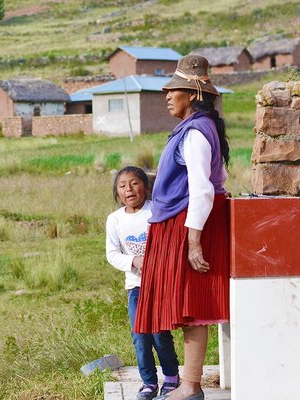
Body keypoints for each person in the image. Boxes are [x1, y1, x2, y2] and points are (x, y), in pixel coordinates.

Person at [134, 55, 231, 400]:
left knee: (193, 309)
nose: (166, 95)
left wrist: (193, 242)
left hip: (187, 228)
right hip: (179, 224)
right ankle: (188, 385)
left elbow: (203, 189)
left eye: (172, 89)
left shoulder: (195, 133)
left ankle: (190, 386)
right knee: (190, 308)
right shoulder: (197, 129)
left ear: (191, 94)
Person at [106, 166, 180, 400]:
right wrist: (134, 261)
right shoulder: (115, 220)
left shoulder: (155, 211)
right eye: (122, 185)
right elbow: (112, 253)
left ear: (146, 188)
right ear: (118, 193)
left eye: (134, 183)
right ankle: (148, 382)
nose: (129, 189)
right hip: (136, 288)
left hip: (161, 286)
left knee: (159, 334)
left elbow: (170, 240)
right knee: (140, 336)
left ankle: (171, 378)